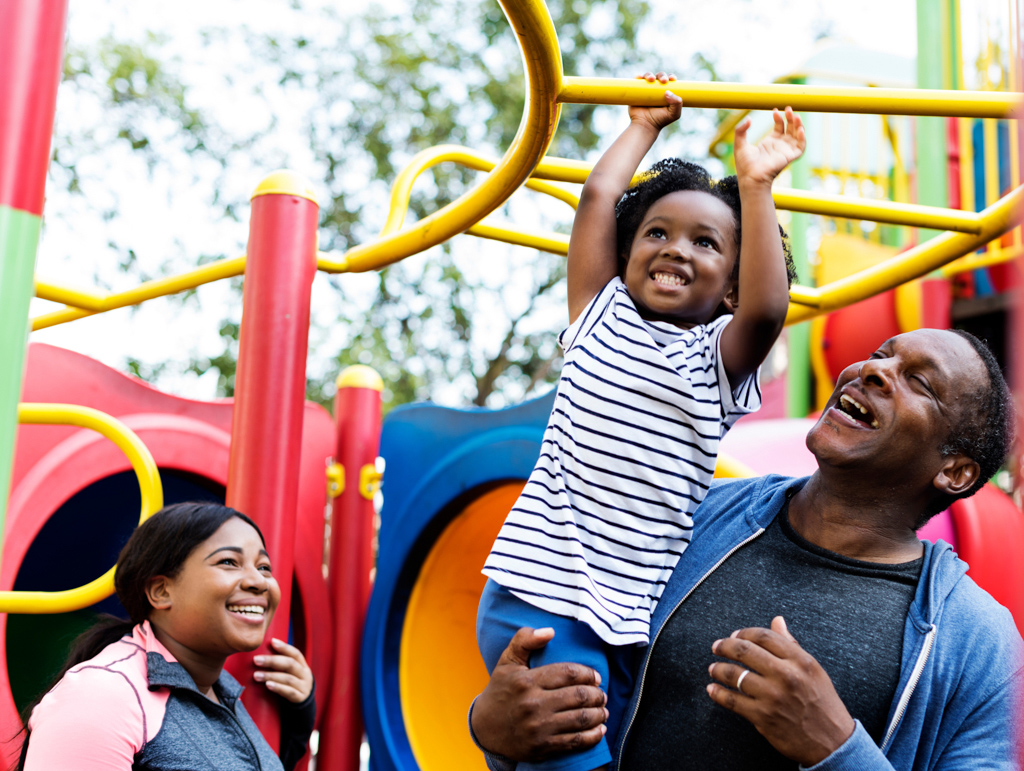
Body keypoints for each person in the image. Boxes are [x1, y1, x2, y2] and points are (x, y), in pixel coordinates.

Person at [471, 328, 1023, 770]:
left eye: (919, 382)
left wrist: (835, 747)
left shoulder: (979, 641)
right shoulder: (690, 514)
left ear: (954, 471)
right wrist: (493, 729)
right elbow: (569, 689)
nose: (873, 370)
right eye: (881, 354)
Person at [477, 71, 805, 771]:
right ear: (626, 253)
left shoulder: (714, 364)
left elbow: (770, 312)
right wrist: (642, 127)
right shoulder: (600, 318)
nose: (677, 248)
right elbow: (599, 198)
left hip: (626, 620)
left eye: (707, 243)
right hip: (544, 592)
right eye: (656, 232)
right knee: (574, 757)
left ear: (732, 286)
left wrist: (756, 185)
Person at [16, 501, 316, 771]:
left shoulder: (221, 692)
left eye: (264, 567)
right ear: (161, 591)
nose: (258, 581)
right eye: (228, 562)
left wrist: (297, 722)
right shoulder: (102, 694)